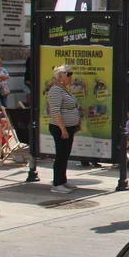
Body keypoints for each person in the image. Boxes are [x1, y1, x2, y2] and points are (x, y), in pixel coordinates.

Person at [47, 64, 81, 194]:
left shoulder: (64, 89)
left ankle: (63, 180)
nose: (71, 77)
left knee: (65, 154)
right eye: (68, 74)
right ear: (60, 76)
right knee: (61, 155)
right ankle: (57, 184)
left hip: (69, 127)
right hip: (60, 128)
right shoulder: (56, 90)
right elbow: (56, 111)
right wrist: (63, 129)